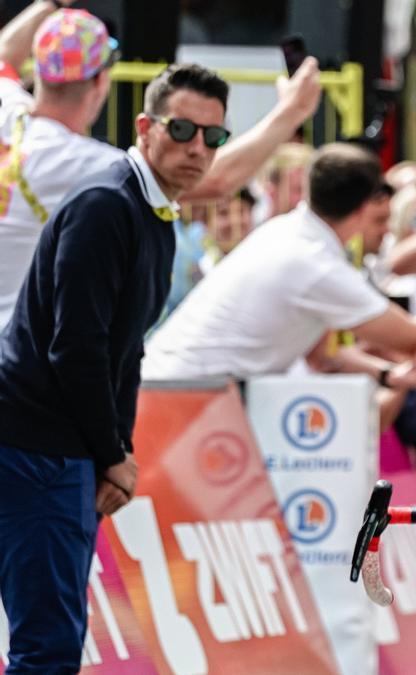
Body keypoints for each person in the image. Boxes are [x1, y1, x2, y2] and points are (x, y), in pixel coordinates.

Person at [0, 61, 230, 673]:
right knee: (47, 646)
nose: (198, 148)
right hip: (33, 444)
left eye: (214, 137)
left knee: (50, 639)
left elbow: (123, 351)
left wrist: (114, 450)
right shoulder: (108, 203)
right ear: (145, 126)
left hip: (53, 445)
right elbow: (77, 349)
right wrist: (112, 455)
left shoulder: (150, 210)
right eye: (183, 129)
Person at [0, 2, 323, 328]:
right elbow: (213, 180)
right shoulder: (75, 162)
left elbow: (3, 55)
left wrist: (51, 4)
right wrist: (292, 111)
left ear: (38, 72)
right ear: (101, 82)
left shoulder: (8, 111)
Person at [142, 143, 416, 392]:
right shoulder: (315, 263)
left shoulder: (290, 233)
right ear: (364, 207)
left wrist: (388, 375)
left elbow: (321, 356)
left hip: (178, 387)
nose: (386, 230)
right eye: (381, 217)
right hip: (185, 394)